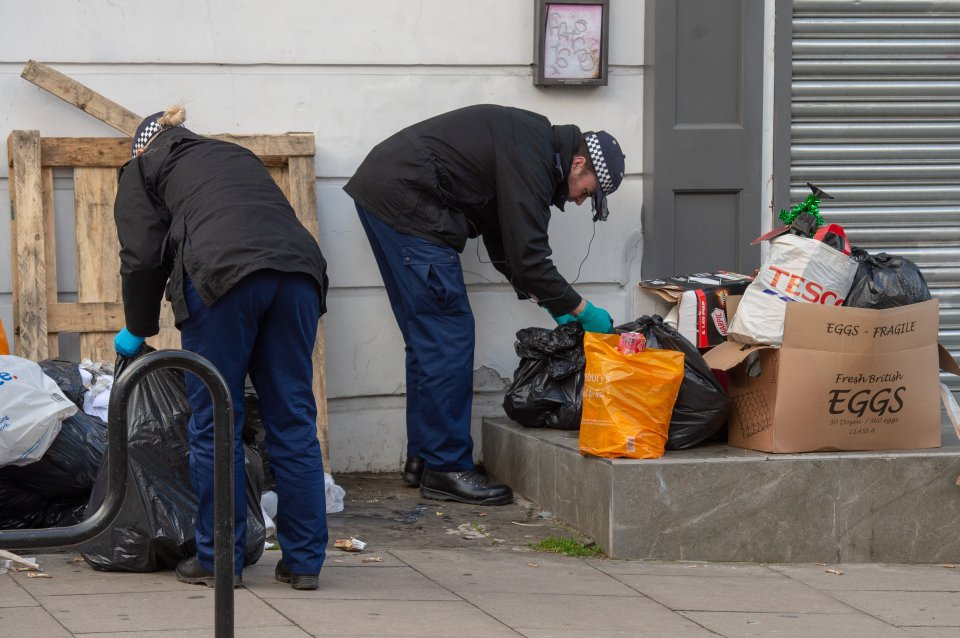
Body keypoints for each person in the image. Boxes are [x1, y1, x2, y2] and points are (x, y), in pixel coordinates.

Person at [344, 104, 625, 506]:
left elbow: (505, 245)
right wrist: (583, 311)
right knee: (448, 336)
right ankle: (446, 467)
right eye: (589, 190)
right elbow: (528, 257)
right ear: (578, 163)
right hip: (409, 200)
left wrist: (553, 305)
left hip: (389, 193)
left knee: (428, 338)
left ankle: (424, 458)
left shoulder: (531, 147)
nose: (581, 201)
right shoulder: (533, 153)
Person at [113, 105, 329, 590]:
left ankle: (219, 559)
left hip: (222, 276)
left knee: (216, 418)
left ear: (142, 145)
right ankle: (305, 562)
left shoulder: (142, 165)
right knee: (292, 417)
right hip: (298, 274)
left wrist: (138, 327)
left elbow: (142, 255)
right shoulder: (233, 155)